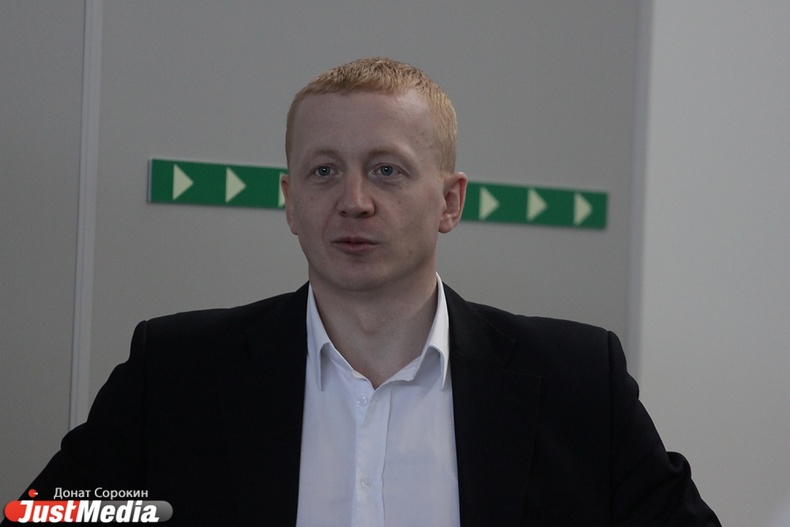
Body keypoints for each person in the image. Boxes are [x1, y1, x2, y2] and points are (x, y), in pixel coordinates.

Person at [3, 57, 720, 526]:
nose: (353, 201)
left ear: (449, 201)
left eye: (386, 170)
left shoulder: (576, 380)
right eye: (323, 171)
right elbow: (47, 515)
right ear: (290, 201)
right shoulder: (177, 369)